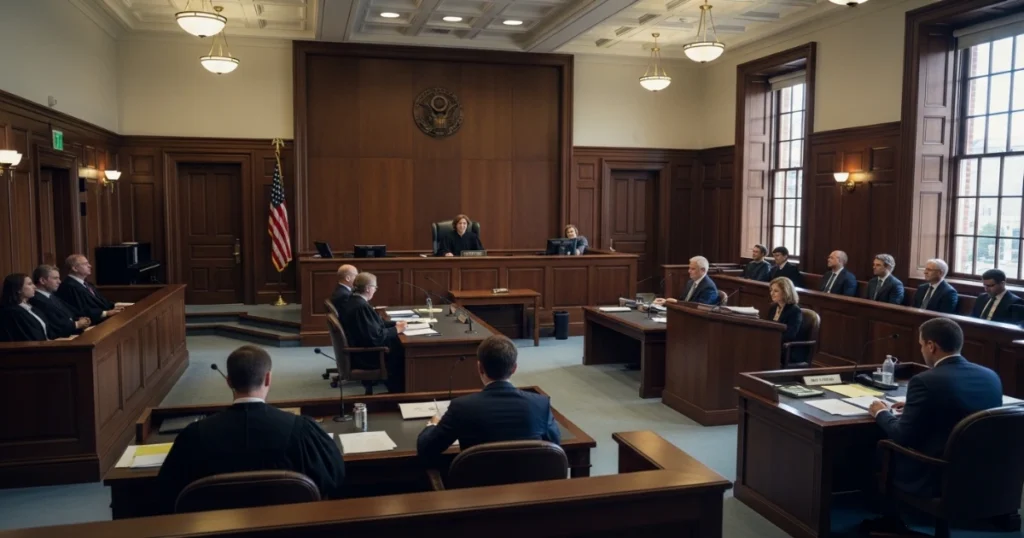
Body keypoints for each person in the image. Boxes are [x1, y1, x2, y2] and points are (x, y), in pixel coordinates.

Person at [157, 345, 345, 512]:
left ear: (229, 381)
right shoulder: (302, 430)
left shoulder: (194, 436)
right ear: (268, 378)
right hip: (290, 527)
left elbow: (167, 492)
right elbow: (334, 475)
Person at [863, 318, 1001, 533]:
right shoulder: (990, 376)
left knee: (877, 446)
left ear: (931, 345)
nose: (921, 351)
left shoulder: (925, 381)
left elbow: (901, 435)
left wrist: (880, 412)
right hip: (983, 471)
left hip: (935, 473)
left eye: (921, 345)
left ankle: (889, 520)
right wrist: (916, 405)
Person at [417, 335, 560, 460]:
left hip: (477, 482)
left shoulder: (461, 407)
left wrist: (432, 425)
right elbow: (555, 442)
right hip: (528, 482)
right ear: (514, 368)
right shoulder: (540, 404)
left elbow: (426, 448)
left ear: (480, 368)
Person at [340, 272, 407, 392]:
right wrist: (397, 329)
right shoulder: (361, 307)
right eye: (375, 287)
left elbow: (374, 326)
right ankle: (399, 393)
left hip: (361, 351)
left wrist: (395, 324)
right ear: (367, 288)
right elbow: (376, 337)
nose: (375, 290)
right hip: (368, 356)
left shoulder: (354, 301)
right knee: (406, 351)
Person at [56, 254, 123, 324]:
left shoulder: (88, 284)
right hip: (92, 324)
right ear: (75, 268)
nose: (90, 266)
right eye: (85, 264)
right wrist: (106, 313)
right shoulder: (68, 286)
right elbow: (80, 310)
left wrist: (117, 306)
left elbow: (102, 302)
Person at [29, 265, 90, 338]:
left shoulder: (53, 296)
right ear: (42, 280)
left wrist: (80, 320)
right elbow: (55, 326)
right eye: (55, 278)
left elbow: (69, 314)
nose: (59, 282)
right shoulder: (36, 300)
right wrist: (77, 324)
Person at [0, 273, 56, 342]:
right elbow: (27, 337)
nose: (34, 287)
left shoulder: (33, 308)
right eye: (29, 284)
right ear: (18, 289)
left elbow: (48, 333)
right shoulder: (12, 313)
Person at [763, 277, 805, 366]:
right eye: (771, 290)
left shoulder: (795, 311)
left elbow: (790, 335)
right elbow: (767, 326)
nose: (771, 293)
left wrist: (771, 341)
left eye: (776, 291)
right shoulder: (773, 307)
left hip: (789, 349)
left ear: (786, 292)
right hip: (774, 345)